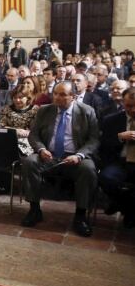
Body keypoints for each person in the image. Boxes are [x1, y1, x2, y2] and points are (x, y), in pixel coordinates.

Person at [20, 82, 99, 237]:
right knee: (30, 162)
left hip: (75, 157)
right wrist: (41, 149)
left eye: (62, 94)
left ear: (74, 96)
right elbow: (33, 135)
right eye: (55, 93)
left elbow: (94, 139)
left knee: (88, 169)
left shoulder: (86, 111)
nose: (57, 97)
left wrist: (79, 155)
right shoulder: (44, 110)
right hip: (49, 155)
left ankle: (80, 215)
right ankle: (34, 209)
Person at [98, 87, 135, 228]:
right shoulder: (111, 120)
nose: (132, 110)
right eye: (129, 106)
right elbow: (103, 146)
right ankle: (127, 207)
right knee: (106, 178)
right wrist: (119, 138)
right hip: (119, 162)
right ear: (123, 103)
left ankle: (125, 208)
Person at [0, 88, 39, 193]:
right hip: (8, 139)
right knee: (1, 150)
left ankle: (28, 188)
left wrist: (21, 131)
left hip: (28, 141)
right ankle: (3, 184)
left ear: (28, 98)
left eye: (21, 98)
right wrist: (17, 130)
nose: (17, 100)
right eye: (15, 98)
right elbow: (1, 127)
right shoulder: (7, 109)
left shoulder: (35, 110)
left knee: (14, 153)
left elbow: (34, 130)